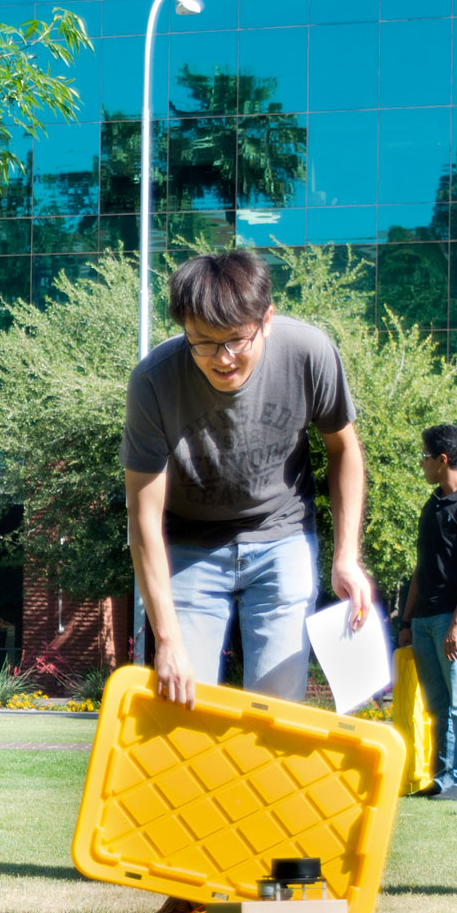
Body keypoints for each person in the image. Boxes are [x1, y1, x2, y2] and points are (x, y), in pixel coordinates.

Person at [123, 250, 372, 710]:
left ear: (267, 319)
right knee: (183, 705)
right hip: (190, 544)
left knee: (274, 711)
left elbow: (345, 450)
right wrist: (167, 638)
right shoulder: (154, 382)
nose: (222, 359)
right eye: (203, 342)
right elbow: (143, 518)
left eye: (237, 340)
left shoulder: (308, 352)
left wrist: (346, 557)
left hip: (282, 535)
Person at [398, 425, 457, 801]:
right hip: (425, 620)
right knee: (437, 706)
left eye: (425, 456)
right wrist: (408, 622)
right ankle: (441, 779)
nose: (421, 463)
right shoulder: (432, 505)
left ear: (443, 460)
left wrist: (456, 622)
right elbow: (422, 569)